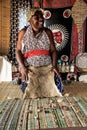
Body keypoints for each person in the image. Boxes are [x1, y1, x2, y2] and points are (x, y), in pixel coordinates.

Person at [16, 8, 63, 98]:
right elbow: (18, 51)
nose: (41, 19)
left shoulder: (47, 32)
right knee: (28, 91)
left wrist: (54, 66)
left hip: (47, 68)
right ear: (29, 19)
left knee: (56, 90)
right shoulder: (23, 32)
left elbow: (53, 51)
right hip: (30, 68)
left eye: (42, 17)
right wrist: (22, 67)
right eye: (36, 17)